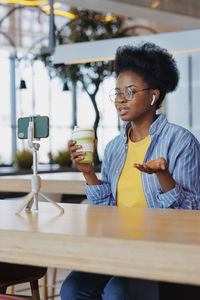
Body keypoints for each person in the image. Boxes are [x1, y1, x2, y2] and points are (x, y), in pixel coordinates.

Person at [60, 42, 200, 300]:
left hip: (160, 248)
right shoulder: (114, 147)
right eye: (117, 92)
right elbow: (107, 208)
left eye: (130, 91)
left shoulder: (181, 141)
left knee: (118, 291)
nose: (121, 99)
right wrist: (89, 173)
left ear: (153, 96)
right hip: (118, 245)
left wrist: (163, 175)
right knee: (71, 288)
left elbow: (193, 214)